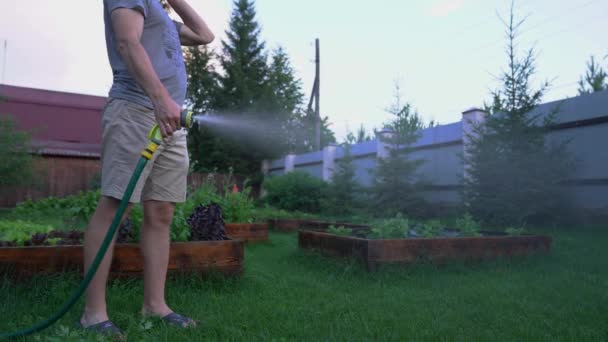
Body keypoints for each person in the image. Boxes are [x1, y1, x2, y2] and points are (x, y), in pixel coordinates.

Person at [80, 0, 214, 336]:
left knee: (162, 212)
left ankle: (155, 305)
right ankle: (93, 314)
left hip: (169, 120)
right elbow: (127, 42)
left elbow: (204, 35)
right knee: (115, 206)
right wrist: (160, 99)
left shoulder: (162, 15)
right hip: (137, 110)